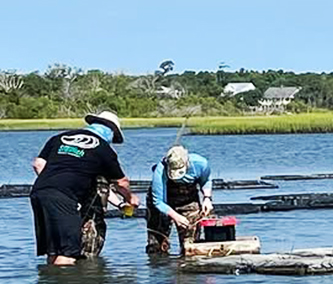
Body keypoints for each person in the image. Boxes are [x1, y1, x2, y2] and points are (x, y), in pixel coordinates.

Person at [30, 110, 141, 265]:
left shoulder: (59, 137)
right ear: (110, 131)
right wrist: (130, 198)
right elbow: (121, 182)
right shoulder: (103, 149)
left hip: (39, 192)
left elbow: (38, 163)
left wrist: (54, 182)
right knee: (68, 252)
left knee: (54, 250)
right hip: (63, 197)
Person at [146, 144, 214, 255]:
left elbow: (206, 180)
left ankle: (187, 268)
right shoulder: (160, 170)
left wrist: (207, 198)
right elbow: (158, 201)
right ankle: (159, 268)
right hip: (164, 200)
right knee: (157, 244)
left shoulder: (201, 164)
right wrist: (175, 216)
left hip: (189, 200)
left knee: (190, 242)